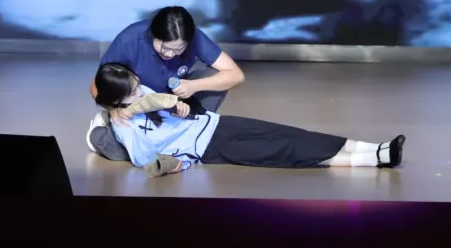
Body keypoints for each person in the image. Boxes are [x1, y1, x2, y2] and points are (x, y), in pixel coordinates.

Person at [92, 62, 406, 175]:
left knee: (290, 134)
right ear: (117, 101)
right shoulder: (126, 128)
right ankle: (374, 160)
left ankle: (373, 147)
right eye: (132, 92)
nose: (140, 91)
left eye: (137, 84)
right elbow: (145, 160)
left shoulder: (143, 94)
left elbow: (165, 102)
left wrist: (179, 106)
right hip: (208, 149)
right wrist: (175, 160)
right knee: (284, 151)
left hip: (215, 124)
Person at [86, 6, 245, 161]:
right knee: (123, 153)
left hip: (176, 101)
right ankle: (100, 134)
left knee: (214, 76)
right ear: (153, 34)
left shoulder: (194, 36)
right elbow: (96, 86)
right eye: (164, 47)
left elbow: (236, 75)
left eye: (178, 49)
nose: (169, 54)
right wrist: (113, 109)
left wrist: (194, 86)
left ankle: (188, 130)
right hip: (140, 106)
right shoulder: (129, 39)